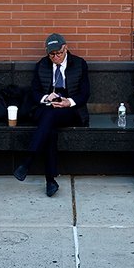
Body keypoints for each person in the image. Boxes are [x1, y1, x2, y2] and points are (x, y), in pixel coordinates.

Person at [14, 33, 90, 198]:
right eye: (51, 54)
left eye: (59, 53)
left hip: (71, 110)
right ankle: (50, 181)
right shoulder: (42, 64)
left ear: (65, 48)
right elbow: (34, 92)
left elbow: (85, 94)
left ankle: (28, 161)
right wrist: (45, 97)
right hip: (46, 107)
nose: (55, 57)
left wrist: (68, 102)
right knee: (50, 125)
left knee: (50, 118)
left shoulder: (79, 64)